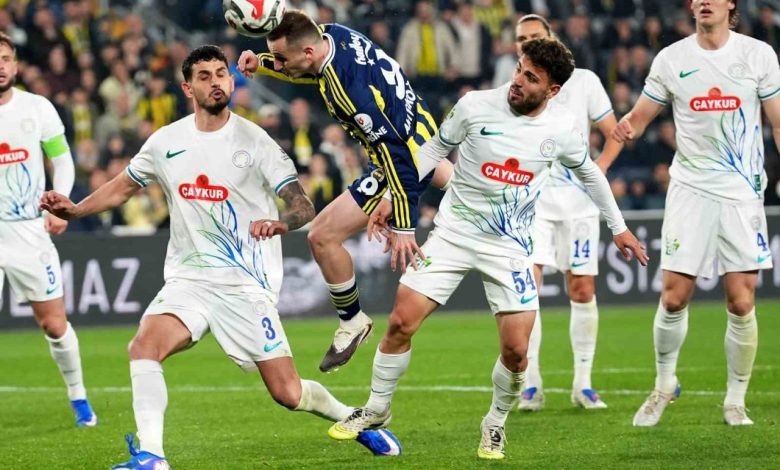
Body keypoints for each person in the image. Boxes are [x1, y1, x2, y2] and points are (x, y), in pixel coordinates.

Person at [40, 45, 401, 470]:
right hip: (189, 280)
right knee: (143, 347)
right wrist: (76, 210)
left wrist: (283, 222)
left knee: (287, 393)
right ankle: (153, 456)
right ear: (187, 88)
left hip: (245, 284)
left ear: (232, 80)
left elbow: (301, 204)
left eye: (221, 74)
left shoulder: (256, 141)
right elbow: (123, 187)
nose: (216, 82)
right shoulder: (166, 142)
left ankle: (355, 418)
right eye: (205, 76)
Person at [326, 38, 648, 460]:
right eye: (519, 69)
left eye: (531, 78)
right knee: (401, 322)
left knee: (516, 353)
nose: (518, 81)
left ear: (552, 90)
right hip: (454, 234)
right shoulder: (474, 105)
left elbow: (590, 174)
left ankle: (495, 422)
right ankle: (377, 408)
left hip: (508, 247)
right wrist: (392, 196)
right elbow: (432, 152)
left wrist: (619, 228)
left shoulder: (562, 129)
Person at [237, 10, 453, 372]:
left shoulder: (347, 91)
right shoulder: (332, 33)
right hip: (419, 123)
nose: (280, 65)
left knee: (321, 236)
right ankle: (499, 201)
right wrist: (263, 63)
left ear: (308, 52)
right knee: (466, 192)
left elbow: (396, 154)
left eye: (281, 59)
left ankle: (352, 321)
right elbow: (301, 62)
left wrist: (403, 222)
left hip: (403, 154)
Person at [607, 0, 780, 427]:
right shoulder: (672, 59)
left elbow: (778, 122)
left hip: (741, 191)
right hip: (690, 190)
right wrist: (626, 129)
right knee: (672, 297)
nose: (703, 1)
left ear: (730, 4)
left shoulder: (758, 55)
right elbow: (640, 117)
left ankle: (735, 400)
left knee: (741, 301)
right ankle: (664, 384)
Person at [512, 14, 625, 412]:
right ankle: (531, 384)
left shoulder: (586, 81)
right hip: (532, 205)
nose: (527, 43)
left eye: (534, 36)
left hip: (578, 205)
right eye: (521, 39)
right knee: (528, 290)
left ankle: (583, 384)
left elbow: (614, 132)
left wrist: (600, 169)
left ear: (551, 38)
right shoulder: (514, 87)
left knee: (581, 290)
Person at [0, 32, 97, 428]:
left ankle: (79, 397)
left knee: (54, 325)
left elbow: (62, 159)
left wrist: (61, 204)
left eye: (5, 58)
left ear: (16, 65)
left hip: (28, 231)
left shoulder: (36, 108)